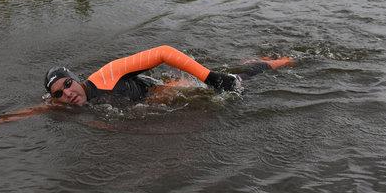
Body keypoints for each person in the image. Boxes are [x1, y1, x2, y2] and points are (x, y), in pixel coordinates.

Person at [44, 45, 293, 107]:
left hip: (166, 90)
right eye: (59, 94)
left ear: (76, 78)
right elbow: (37, 109)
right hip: (149, 103)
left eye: (68, 84)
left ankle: (282, 61)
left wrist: (210, 78)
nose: (68, 93)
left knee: (239, 81)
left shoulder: (107, 74)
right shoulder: (66, 105)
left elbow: (163, 52)